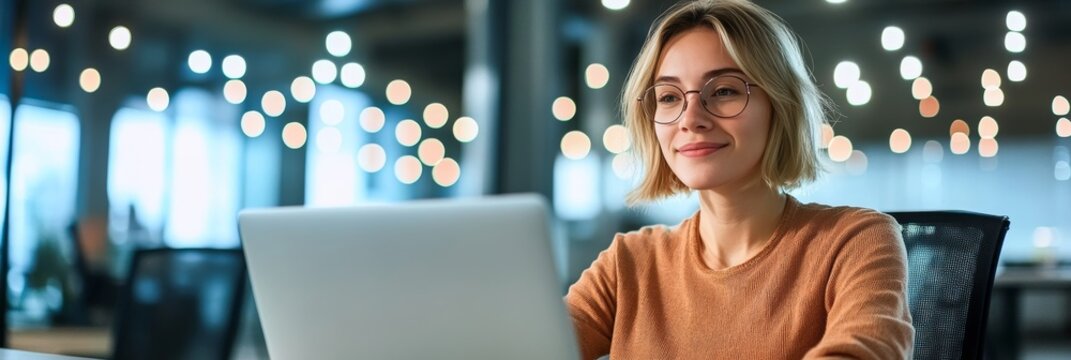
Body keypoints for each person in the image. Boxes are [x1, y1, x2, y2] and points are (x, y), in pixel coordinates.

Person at [564, 0, 914, 358]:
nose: (690, 118)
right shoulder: (629, 263)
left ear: (780, 105)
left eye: (724, 91)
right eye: (669, 97)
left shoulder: (855, 242)